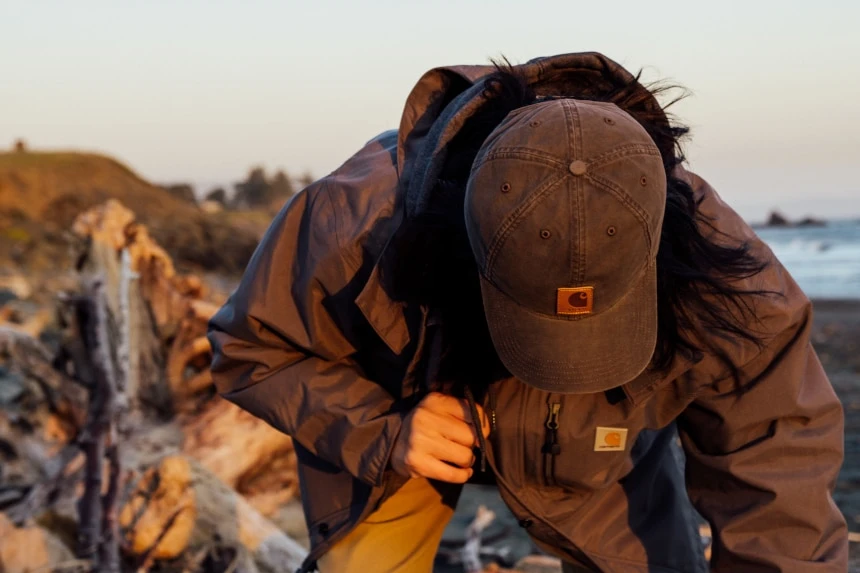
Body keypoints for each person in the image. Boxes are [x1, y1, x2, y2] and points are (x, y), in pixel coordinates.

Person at [207, 52, 848, 572]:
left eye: (597, 332)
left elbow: (779, 482)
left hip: (600, 449)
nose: (563, 362)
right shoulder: (349, 226)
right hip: (397, 422)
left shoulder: (727, 280)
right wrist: (384, 434)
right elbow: (249, 349)